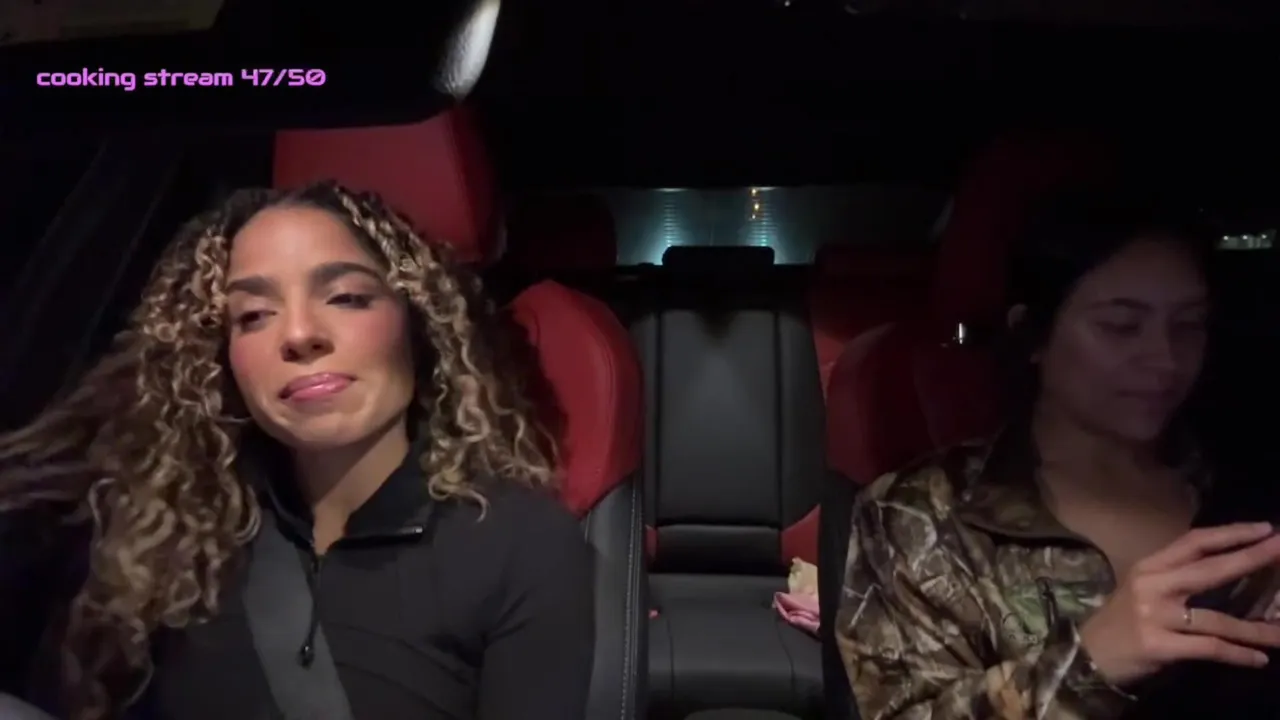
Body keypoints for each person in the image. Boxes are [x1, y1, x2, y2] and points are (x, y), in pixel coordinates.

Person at [0, 181, 595, 720]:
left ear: (417, 325)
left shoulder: (518, 543)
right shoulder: (166, 531)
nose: (299, 334)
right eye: (254, 315)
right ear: (222, 358)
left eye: (346, 297)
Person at [834, 192, 1280, 719]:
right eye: (1121, 326)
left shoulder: (1249, 489)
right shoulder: (922, 517)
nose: (1165, 359)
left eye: (1189, 325)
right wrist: (1087, 666)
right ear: (1034, 335)